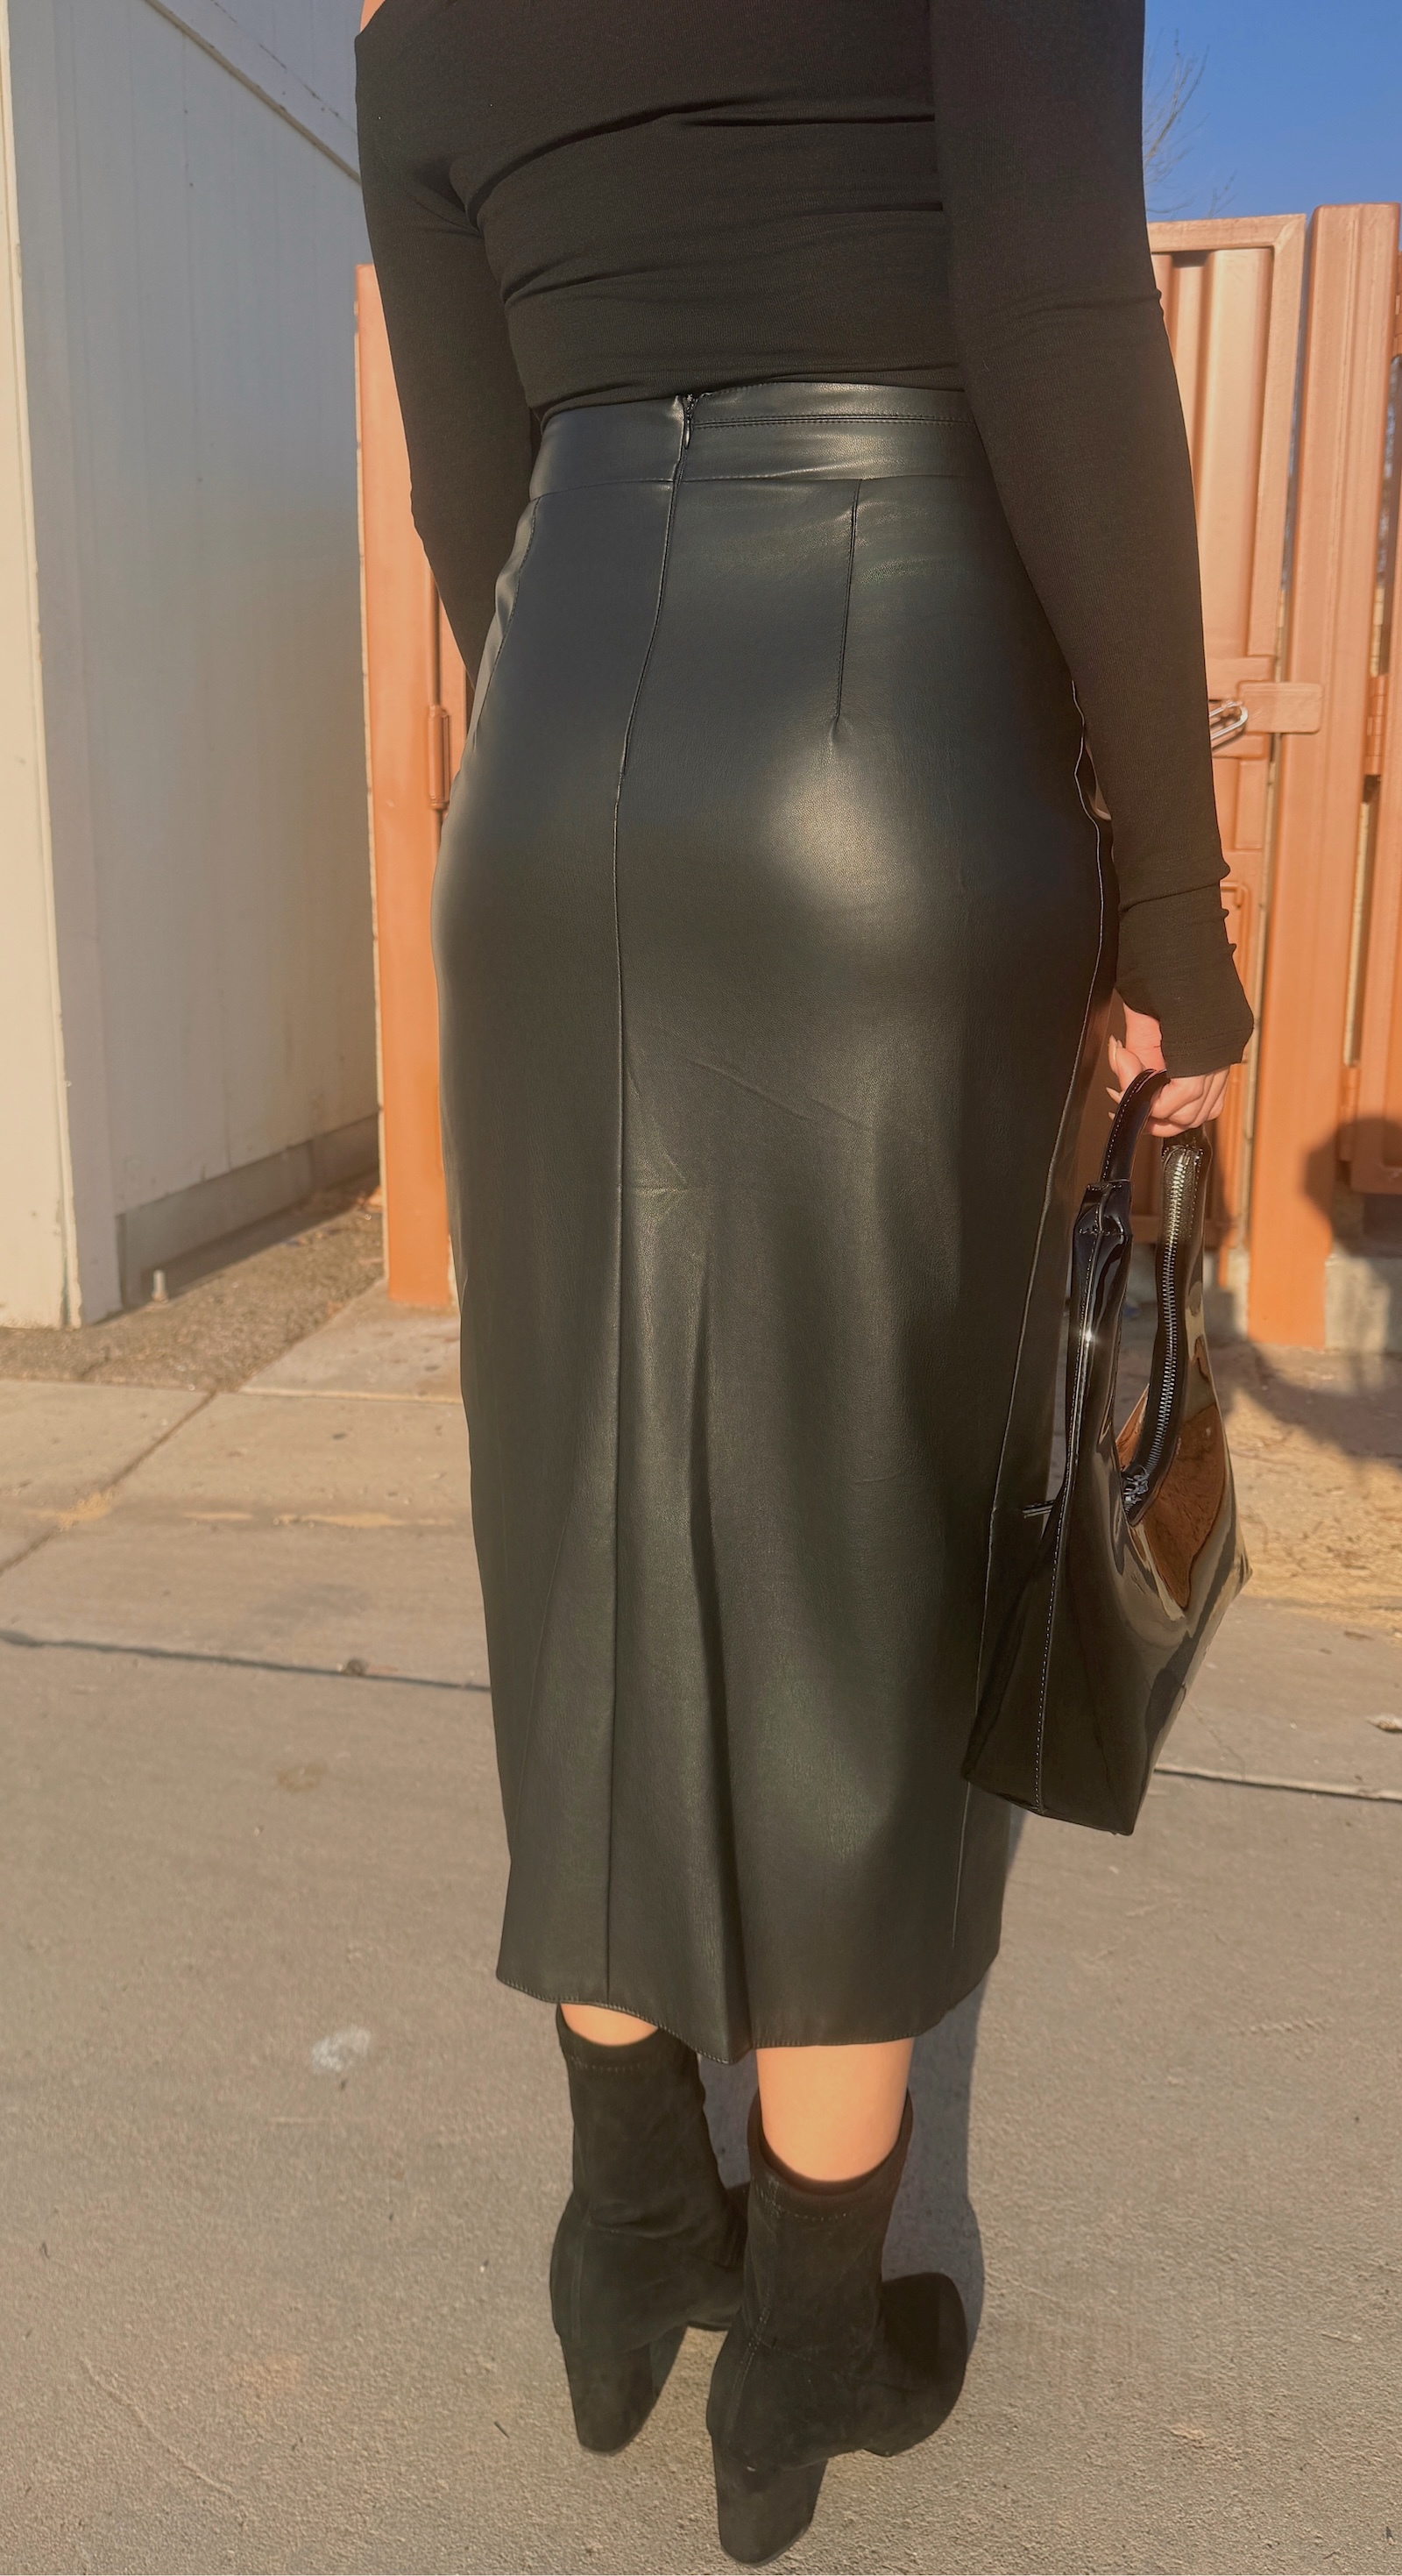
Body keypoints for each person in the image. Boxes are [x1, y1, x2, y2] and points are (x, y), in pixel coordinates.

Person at [356, 1, 1253, 2559]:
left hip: (560, 769)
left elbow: (467, 490)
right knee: (860, 1551)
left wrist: (610, 730)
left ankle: (636, 2233)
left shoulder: (418, 30)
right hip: (895, 719)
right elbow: (1060, 318)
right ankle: (814, 2349)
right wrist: (1177, 905)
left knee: (588, 1527)